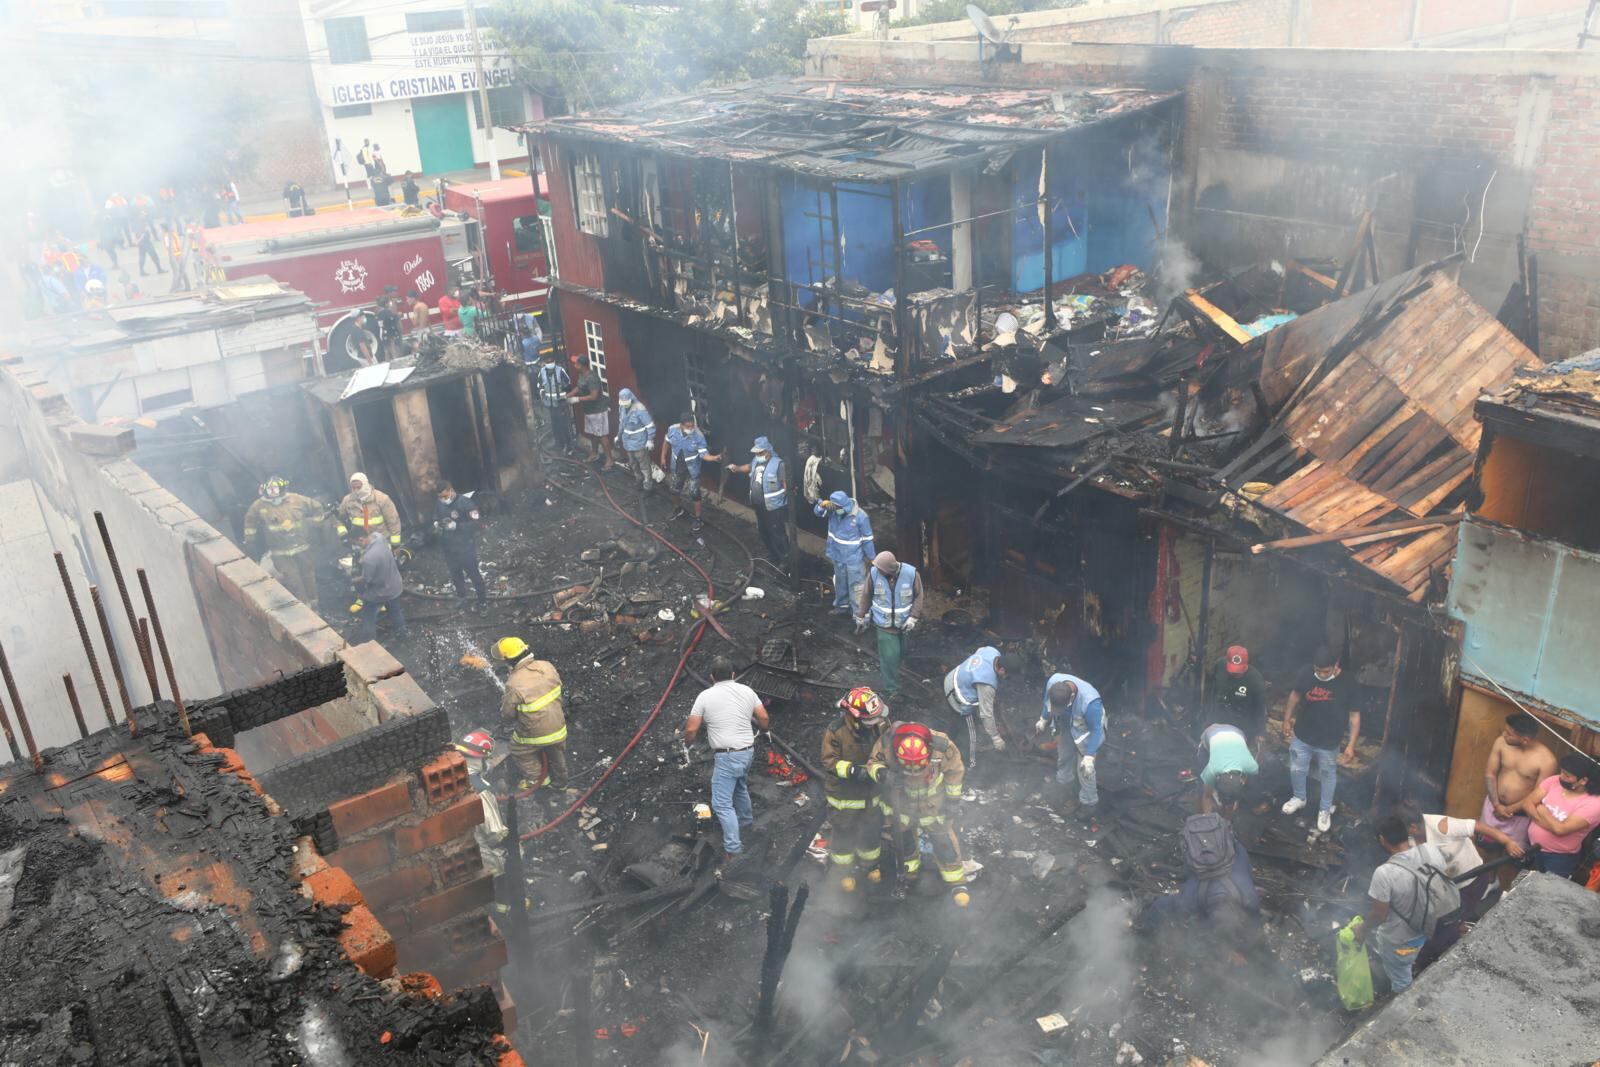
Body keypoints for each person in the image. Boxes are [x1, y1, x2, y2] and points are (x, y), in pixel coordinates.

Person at [1392, 800, 1525, 968]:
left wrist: (1507, 842)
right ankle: (1458, 931)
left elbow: (1477, 826)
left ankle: (1422, 965)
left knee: (1440, 931)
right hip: (1446, 887)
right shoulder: (1408, 839)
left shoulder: (1442, 826)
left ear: (1412, 827)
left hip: (1471, 882)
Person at [866, 720, 970, 905]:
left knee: (943, 841)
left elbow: (955, 772)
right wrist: (883, 774)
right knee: (904, 842)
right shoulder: (887, 744)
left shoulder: (942, 746)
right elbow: (873, 763)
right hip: (902, 805)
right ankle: (908, 876)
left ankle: (956, 882)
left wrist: (952, 802)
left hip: (934, 805)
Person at [1351, 815, 1451, 994]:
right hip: (1429, 925)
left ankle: (1404, 1002)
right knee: (1414, 954)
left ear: (1382, 839)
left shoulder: (1384, 873)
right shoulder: (1431, 850)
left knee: (1400, 976)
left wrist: (1362, 930)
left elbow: (1378, 915)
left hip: (1400, 941)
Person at [684, 655, 769, 860]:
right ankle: (746, 823)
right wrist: (764, 730)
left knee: (722, 804)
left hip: (727, 756)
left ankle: (733, 849)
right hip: (747, 752)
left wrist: (687, 744)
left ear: (712, 677)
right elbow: (764, 717)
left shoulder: (705, 696)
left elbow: (692, 728)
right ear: (733, 674)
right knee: (739, 786)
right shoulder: (747, 690)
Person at [1280, 645, 1360, 834]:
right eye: (1317, 670)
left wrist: (1351, 745)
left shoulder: (1348, 683)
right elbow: (1295, 695)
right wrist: (1286, 719)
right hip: (1302, 735)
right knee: (1297, 768)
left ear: (1336, 665)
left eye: (1325, 671)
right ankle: (1299, 797)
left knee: (1327, 775)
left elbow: (1354, 716)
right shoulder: (1306, 673)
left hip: (1329, 742)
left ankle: (1324, 810)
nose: (1321, 675)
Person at [820, 686, 891, 893]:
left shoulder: (881, 723)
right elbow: (829, 761)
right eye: (870, 719)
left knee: (871, 831)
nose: (876, 722)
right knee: (844, 834)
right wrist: (853, 771)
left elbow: (888, 749)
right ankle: (844, 873)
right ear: (854, 716)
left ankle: (871, 866)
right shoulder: (836, 731)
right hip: (845, 795)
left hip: (872, 793)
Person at [1140, 812, 1259, 930]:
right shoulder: (1193, 898)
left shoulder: (1250, 897)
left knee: (1162, 905)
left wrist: (1149, 928)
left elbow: (1160, 906)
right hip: (1204, 878)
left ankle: (1147, 930)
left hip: (1202, 875)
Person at [494, 636, 570, 796]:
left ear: (510, 660)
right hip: (559, 728)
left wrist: (506, 719)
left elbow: (507, 714)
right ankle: (561, 784)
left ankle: (539, 782)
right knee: (556, 752)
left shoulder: (513, 683)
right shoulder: (547, 666)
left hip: (535, 735)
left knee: (517, 748)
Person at [242, 476, 326, 607]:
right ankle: (304, 607)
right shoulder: (258, 506)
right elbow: (249, 522)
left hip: (302, 547)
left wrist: (312, 525)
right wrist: (250, 543)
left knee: (308, 576)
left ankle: (315, 605)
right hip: (280, 552)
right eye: (270, 489)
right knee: (293, 580)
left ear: (281, 488)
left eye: (275, 488)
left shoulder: (296, 500)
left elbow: (317, 508)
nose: (273, 492)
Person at [1482, 711, 1556, 854]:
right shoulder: (1501, 742)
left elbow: (1537, 795)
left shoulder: (1547, 761)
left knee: (1514, 854)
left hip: (1519, 816)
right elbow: (1490, 774)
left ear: (1525, 739)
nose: (1504, 735)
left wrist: (1509, 810)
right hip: (1493, 806)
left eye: (1509, 733)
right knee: (1486, 846)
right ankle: (1487, 877)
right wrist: (1496, 804)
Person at [1518, 753, 1600, 879]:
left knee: (1550, 892)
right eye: (1562, 772)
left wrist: (1541, 809)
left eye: (1567, 776)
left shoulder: (1594, 804)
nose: (1561, 777)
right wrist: (1548, 821)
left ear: (1583, 780)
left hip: (1559, 858)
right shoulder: (1554, 781)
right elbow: (1527, 803)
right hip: (1535, 848)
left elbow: (1561, 830)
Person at [454, 729, 512, 901]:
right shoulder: (481, 790)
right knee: (508, 863)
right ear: (480, 759)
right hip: (479, 854)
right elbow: (495, 833)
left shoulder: (453, 776)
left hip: (455, 852)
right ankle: (504, 910)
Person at [1036, 674, 1105, 819]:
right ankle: (1064, 782)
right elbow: (1047, 704)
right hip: (1067, 723)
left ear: (1071, 697)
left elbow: (1096, 730)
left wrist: (1089, 755)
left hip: (1086, 729)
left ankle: (1089, 803)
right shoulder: (1053, 684)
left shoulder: (1091, 703)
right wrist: (1043, 719)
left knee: (1085, 770)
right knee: (1064, 755)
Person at [855, 551, 922, 698]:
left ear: (889, 570)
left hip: (904, 624)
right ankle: (892, 689)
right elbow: (867, 595)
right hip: (884, 626)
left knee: (901, 653)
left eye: (880, 569)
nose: (877, 570)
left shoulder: (911, 574)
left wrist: (913, 617)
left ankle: (896, 672)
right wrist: (861, 615)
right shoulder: (873, 574)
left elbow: (919, 596)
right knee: (889, 657)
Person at [725, 436, 790, 568]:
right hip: (759, 506)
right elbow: (748, 467)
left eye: (760, 453)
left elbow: (785, 485)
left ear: (767, 451)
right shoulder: (756, 461)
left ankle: (785, 559)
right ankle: (773, 554)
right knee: (764, 531)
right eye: (756, 453)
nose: (757, 455)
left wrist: (784, 499)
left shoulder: (778, 464)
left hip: (773, 507)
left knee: (778, 533)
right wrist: (736, 468)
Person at [943, 646, 1011, 769]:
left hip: (952, 676)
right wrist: (995, 737)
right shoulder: (987, 685)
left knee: (956, 725)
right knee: (971, 734)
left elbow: (979, 651)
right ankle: (970, 766)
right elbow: (986, 714)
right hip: (957, 695)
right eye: (1006, 674)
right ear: (1001, 669)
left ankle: (949, 739)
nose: (1006, 677)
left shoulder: (992, 651)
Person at [815, 490, 874, 616]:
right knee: (840, 583)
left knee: (857, 587)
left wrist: (872, 558)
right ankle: (841, 607)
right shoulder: (832, 511)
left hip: (854, 559)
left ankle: (860, 616)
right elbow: (818, 513)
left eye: (839, 509)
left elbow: (867, 539)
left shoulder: (860, 516)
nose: (838, 511)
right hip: (837, 555)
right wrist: (821, 504)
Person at [666, 412, 721, 531]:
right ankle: (678, 508)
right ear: (681, 425)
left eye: (692, 426)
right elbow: (666, 442)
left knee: (694, 492)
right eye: (688, 426)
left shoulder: (698, 435)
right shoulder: (672, 429)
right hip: (677, 466)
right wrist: (662, 457)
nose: (691, 428)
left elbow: (704, 454)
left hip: (692, 469)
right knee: (674, 489)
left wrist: (714, 458)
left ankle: (698, 519)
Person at [434, 481, 486, 602]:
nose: (442, 499)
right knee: (456, 575)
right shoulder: (440, 502)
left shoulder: (465, 503)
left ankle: (482, 602)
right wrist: (436, 522)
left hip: (465, 547)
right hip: (449, 548)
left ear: (451, 490)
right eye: (440, 497)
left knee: (474, 575)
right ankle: (462, 598)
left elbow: (477, 524)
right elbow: (436, 514)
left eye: (445, 496)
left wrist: (456, 526)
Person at [349, 532, 406, 644]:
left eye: (356, 543)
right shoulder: (379, 537)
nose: (357, 546)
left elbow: (366, 579)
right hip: (395, 586)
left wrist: (352, 580)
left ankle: (370, 643)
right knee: (395, 611)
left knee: (368, 616)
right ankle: (402, 633)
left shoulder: (369, 558)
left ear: (361, 538)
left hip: (380, 592)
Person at [1207, 645, 1267, 745]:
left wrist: (1260, 732)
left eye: (1238, 671)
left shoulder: (1256, 680)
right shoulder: (1219, 665)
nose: (1234, 673)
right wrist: (1209, 717)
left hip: (1241, 725)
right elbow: (1212, 689)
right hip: (1219, 719)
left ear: (1246, 664)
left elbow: (1260, 709)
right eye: (1232, 669)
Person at [1196, 722, 1259, 816]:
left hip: (1237, 733)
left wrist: (1235, 801)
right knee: (1202, 782)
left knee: (1233, 798)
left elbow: (1246, 779)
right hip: (1211, 733)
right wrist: (1207, 818)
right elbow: (1207, 796)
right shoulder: (1212, 770)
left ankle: (1227, 806)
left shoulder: (1252, 767)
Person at [569, 355, 612, 470]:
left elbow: (594, 396)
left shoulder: (592, 378)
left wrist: (577, 399)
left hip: (597, 410)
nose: (574, 365)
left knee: (602, 435)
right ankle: (594, 453)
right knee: (593, 433)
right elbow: (579, 387)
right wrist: (569, 395)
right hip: (588, 410)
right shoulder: (582, 375)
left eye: (576, 363)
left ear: (582, 365)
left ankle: (609, 460)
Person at [336, 472, 402, 547]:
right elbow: (339, 519)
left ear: (365, 485)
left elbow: (393, 522)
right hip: (359, 543)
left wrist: (395, 545)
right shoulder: (347, 501)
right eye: (353, 488)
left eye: (358, 487)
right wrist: (343, 535)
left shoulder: (382, 499)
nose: (356, 490)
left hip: (380, 542)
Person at [614, 388, 657, 491]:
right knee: (633, 463)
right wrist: (618, 436)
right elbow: (622, 424)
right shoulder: (622, 408)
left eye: (626, 402)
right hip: (628, 442)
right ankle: (639, 479)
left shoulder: (640, 409)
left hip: (639, 442)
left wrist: (650, 440)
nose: (624, 404)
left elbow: (650, 425)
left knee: (644, 465)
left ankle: (648, 485)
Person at [536, 350, 575, 454]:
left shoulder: (560, 371)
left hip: (561, 404)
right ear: (545, 363)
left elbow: (569, 384)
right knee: (555, 425)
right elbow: (539, 385)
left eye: (551, 361)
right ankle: (558, 443)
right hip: (550, 404)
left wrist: (564, 386)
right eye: (548, 362)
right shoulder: (542, 372)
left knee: (564, 425)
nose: (550, 363)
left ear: (554, 361)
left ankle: (568, 446)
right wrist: (542, 392)